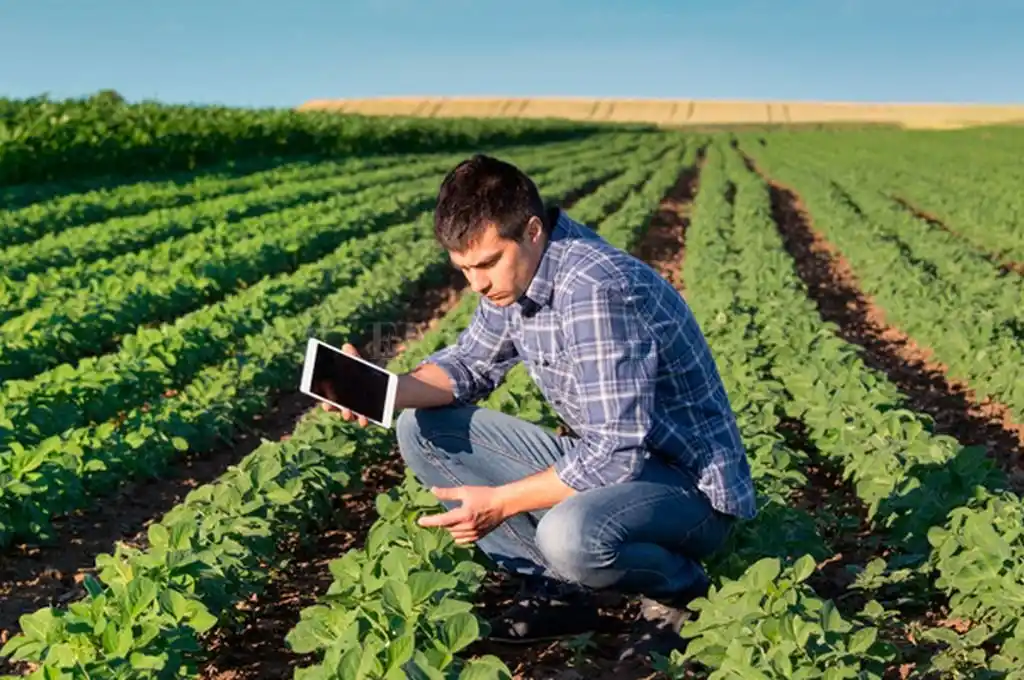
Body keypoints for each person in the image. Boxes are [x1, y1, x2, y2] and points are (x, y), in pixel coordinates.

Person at [322, 153, 756, 661]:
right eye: (464, 269)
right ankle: (562, 593)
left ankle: (679, 593)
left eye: (486, 264)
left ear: (531, 230)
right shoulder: (518, 277)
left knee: (568, 534)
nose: (478, 284)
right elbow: (468, 365)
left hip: (688, 492)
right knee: (422, 428)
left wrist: (501, 502)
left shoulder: (595, 289)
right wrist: (381, 388)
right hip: (623, 471)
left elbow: (616, 455)